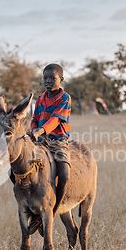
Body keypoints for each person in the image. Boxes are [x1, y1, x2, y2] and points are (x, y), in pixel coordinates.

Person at [29, 63, 71, 234]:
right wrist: (33, 129)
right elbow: (34, 118)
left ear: (61, 79)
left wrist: (41, 130)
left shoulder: (64, 98)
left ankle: (52, 212)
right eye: (45, 78)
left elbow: (55, 119)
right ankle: (32, 210)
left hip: (58, 142)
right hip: (39, 142)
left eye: (52, 78)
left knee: (64, 174)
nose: (47, 81)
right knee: (18, 167)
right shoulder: (39, 99)